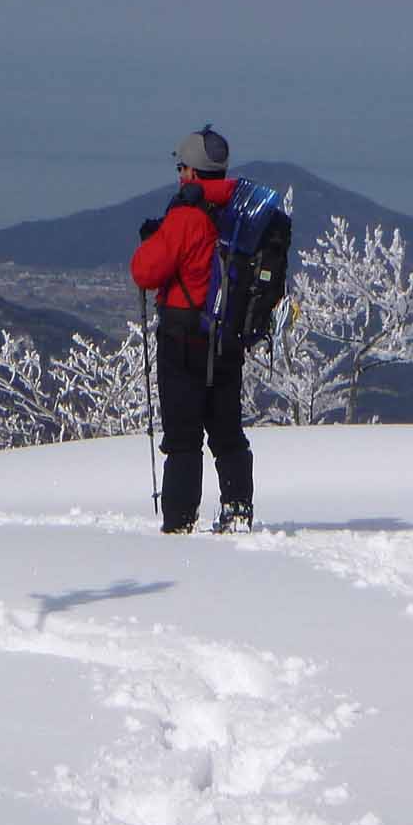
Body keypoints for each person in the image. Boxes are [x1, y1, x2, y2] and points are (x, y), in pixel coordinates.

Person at [129, 125, 255, 534]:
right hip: (228, 338)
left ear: (192, 171)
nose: (180, 174)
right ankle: (238, 510)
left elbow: (145, 271)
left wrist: (154, 238)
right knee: (227, 431)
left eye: (181, 167)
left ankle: (180, 521)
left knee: (183, 437)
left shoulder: (186, 216)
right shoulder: (242, 209)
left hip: (183, 338)